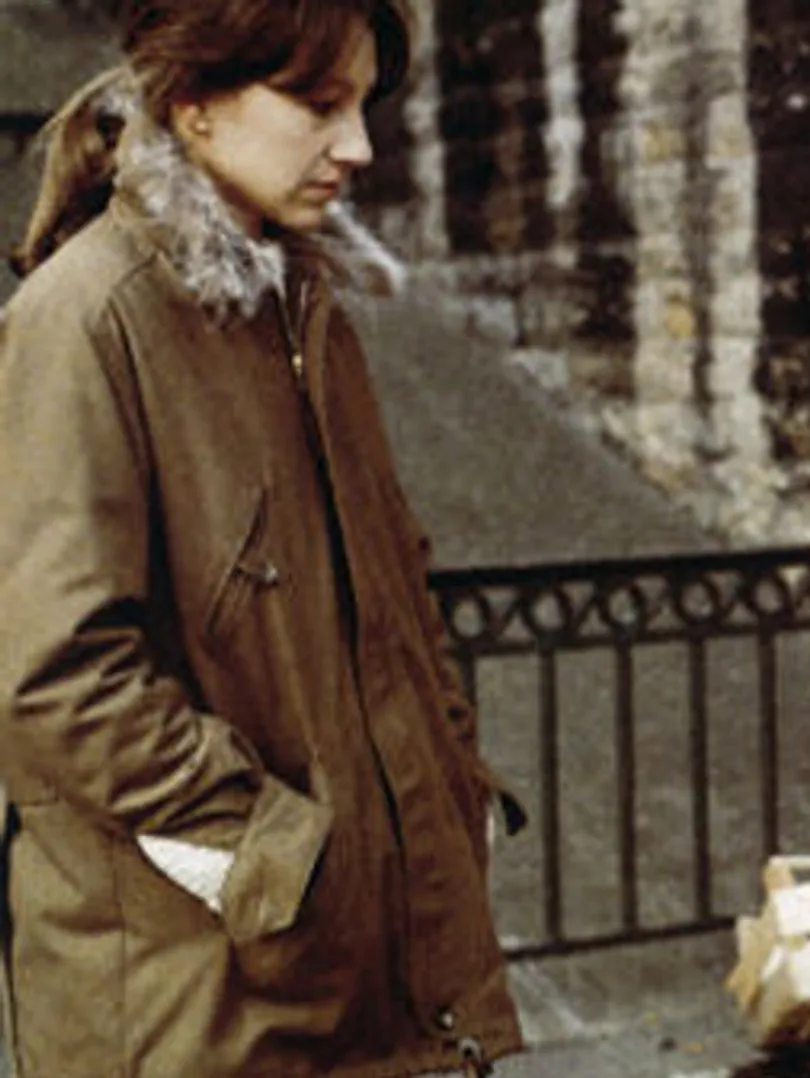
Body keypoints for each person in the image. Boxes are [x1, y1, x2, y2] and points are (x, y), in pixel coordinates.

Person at [0, 2, 525, 1075]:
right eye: (318, 104)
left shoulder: (301, 310)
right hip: (197, 1008)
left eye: (363, 105)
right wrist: (277, 857)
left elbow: (396, 596)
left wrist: (447, 798)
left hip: (365, 979)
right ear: (194, 103)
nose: (358, 145)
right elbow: (53, 675)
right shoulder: (87, 318)